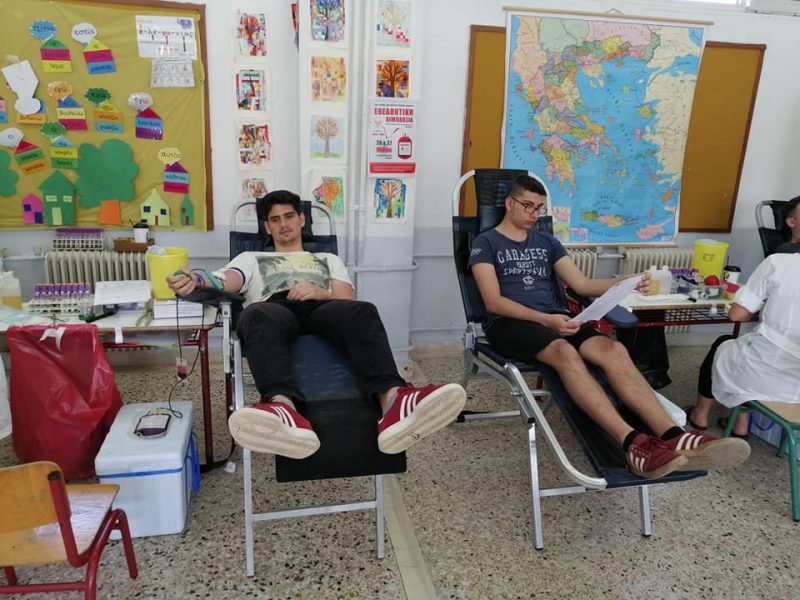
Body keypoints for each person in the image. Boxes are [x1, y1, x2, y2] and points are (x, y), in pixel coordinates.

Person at [468, 174, 750, 479]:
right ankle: (633, 443)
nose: (534, 214)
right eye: (527, 206)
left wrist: (626, 282)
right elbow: (493, 302)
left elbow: (582, 284)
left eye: (539, 208)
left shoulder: (547, 242)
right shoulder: (486, 242)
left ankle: (674, 436)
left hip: (557, 318)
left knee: (614, 350)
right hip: (509, 323)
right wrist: (546, 319)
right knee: (565, 353)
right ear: (509, 203)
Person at [167, 190, 466, 459]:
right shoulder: (250, 258)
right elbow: (223, 280)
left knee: (363, 310)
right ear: (267, 227)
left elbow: (345, 299)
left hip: (323, 308)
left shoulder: (327, 258)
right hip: (274, 310)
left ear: (301, 219)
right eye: (275, 220)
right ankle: (283, 409)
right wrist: (196, 278)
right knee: (255, 314)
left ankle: (394, 402)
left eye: (289, 216)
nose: (283, 224)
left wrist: (319, 291)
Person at [685, 251, 800, 436]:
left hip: (763, 372)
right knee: (746, 352)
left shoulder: (779, 262)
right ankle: (740, 425)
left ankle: (700, 415)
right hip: (795, 388)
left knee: (724, 345)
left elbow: (736, 315)